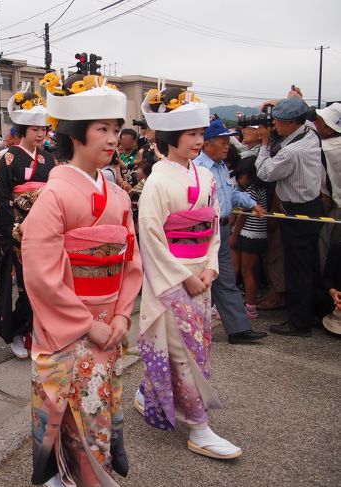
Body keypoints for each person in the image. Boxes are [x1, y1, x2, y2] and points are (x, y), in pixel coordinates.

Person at [23, 73, 143, 487]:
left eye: (116, 130)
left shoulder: (121, 197)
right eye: (102, 130)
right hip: (74, 329)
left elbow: (131, 261)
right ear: (75, 135)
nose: (112, 139)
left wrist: (123, 316)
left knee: (100, 413)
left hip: (110, 322)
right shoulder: (54, 196)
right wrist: (88, 324)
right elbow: (41, 274)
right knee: (78, 419)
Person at [135, 87, 244, 460]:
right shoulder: (156, 181)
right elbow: (150, 238)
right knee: (184, 352)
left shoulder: (207, 178)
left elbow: (212, 227)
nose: (199, 140)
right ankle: (199, 427)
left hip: (202, 274)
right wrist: (185, 276)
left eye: (201, 134)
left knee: (199, 346)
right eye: (192, 134)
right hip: (174, 279)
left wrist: (211, 265)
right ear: (170, 137)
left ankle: (149, 393)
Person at [0, 86, 54, 359]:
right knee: (25, 286)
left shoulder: (50, 159)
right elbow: (1, 196)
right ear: (22, 130)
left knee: (45, 284)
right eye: (34, 128)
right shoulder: (10, 157)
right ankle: (16, 330)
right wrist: (10, 231)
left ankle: (33, 330)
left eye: (44, 129)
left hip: (45, 229)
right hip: (18, 229)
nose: (40, 133)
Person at [255, 97, 326, 337]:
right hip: (312, 206)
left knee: (297, 268)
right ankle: (315, 313)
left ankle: (299, 322)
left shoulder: (292, 152)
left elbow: (265, 172)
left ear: (292, 122)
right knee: (310, 264)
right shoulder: (310, 131)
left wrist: (264, 143)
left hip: (297, 211)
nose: (274, 125)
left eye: (277, 121)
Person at [195, 118, 268, 344]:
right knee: (198, 279)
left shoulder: (221, 168)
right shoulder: (197, 168)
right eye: (222, 141)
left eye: (228, 141)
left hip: (223, 229)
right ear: (207, 145)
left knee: (226, 278)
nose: (228, 145)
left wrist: (250, 203)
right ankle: (190, 329)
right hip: (204, 231)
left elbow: (232, 195)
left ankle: (238, 329)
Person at [230, 157, 268, 319]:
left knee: (246, 271)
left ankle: (250, 307)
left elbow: (242, 217)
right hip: (256, 234)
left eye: (243, 175)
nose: (240, 178)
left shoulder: (251, 191)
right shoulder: (262, 190)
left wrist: (233, 236)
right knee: (243, 270)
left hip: (248, 234)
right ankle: (246, 305)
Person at [313, 103, 341, 270]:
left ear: (330, 129)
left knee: (324, 246)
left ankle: (325, 287)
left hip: (332, 206)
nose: (315, 123)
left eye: (319, 121)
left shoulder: (326, 148)